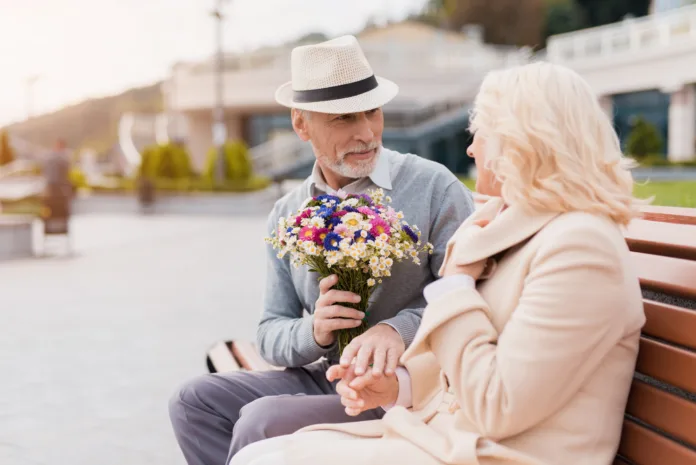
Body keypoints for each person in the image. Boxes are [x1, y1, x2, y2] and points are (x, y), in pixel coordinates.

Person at [230, 61, 648, 465]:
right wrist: (398, 386)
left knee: (259, 449)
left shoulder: (579, 248)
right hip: (447, 432)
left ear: (519, 143)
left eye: (480, 132)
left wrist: (452, 286)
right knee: (247, 444)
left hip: (490, 451)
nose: (470, 147)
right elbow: (481, 358)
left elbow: (495, 401)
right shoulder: (520, 229)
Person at [168, 35, 475, 465]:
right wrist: (315, 330)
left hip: (403, 386)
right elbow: (270, 332)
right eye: (344, 119)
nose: (366, 133)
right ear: (301, 124)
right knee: (192, 402)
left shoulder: (434, 186)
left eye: (372, 111)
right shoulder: (286, 214)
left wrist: (397, 329)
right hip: (323, 376)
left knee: (260, 421)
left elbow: (470, 296)